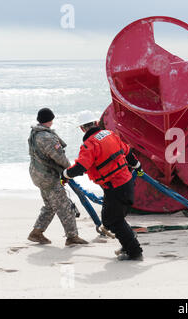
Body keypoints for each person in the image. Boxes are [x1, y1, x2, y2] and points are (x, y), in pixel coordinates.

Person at [62, 111, 143, 261]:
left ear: (82, 128)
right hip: (126, 183)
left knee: (113, 221)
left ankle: (134, 251)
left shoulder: (89, 145)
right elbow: (128, 153)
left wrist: (65, 174)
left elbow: (80, 167)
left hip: (115, 187)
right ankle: (128, 242)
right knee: (112, 219)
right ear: (96, 122)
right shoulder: (110, 134)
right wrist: (138, 167)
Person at [28, 108, 88, 246]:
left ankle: (37, 233)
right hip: (48, 177)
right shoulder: (47, 137)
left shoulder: (34, 133)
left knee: (50, 205)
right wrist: (71, 170)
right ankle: (72, 237)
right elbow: (59, 157)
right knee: (65, 206)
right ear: (50, 119)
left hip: (37, 175)